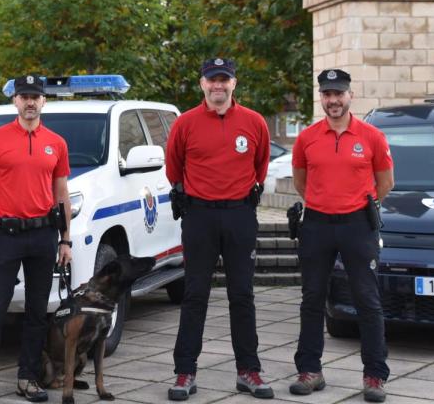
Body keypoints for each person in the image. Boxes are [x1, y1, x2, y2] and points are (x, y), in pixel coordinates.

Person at [166, 58, 274, 401]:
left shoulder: (254, 123)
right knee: (195, 295)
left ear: (233, 83)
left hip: (240, 215)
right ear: (202, 84)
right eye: (212, 80)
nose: (218, 86)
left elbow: (260, 167)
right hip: (199, 217)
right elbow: (174, 169)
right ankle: (185, 372)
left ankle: (249, 371)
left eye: (224, 80)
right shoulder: (185, 124)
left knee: (242, 295)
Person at [0, 74, 72, 404]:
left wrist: (65, 239)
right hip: (6, 236)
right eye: (23, 96)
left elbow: (62, 192)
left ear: (43, 102)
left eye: (35, 96)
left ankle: (28, 378)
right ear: (15, 101)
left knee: (37, 312)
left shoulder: (57, 142)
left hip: (43, 236)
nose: (29, 101)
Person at [288, 69, 393, 403]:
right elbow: (301, 181)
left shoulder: (372, 136)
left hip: (357, 225)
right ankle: (310, 372)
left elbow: (385, 182)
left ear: (350, 95)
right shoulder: (307, 138)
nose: (333, 100)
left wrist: (352, 205)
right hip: (317, 224)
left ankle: (374, 376)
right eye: (327, 94)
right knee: (311, 299)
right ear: (321, 97)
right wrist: (324, 202)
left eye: (338, 94)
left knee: (367, 299)